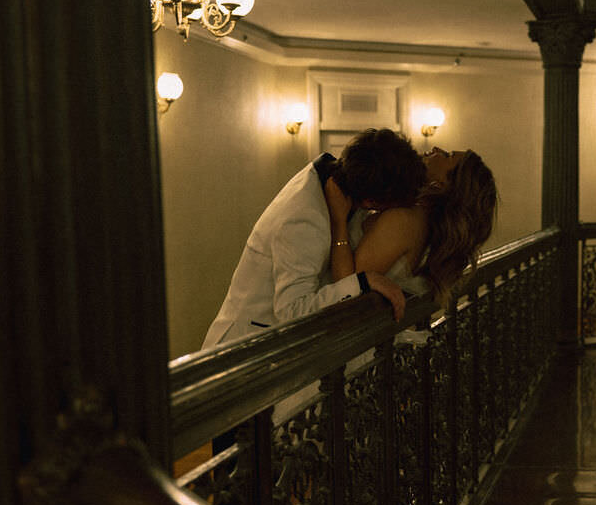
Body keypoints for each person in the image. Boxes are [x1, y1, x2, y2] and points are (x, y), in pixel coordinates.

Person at [201, 128, 426, 350]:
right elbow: (292, 312)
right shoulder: (303, 218)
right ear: (370, 202)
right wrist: (364, 281)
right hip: (246, 352)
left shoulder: (331, 177)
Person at [326, 146, 497, 304]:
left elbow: (347, 290)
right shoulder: (419, 219)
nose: (436, 148)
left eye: (446, 155)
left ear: (442, 184)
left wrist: (338, 221)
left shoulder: (405, 221)